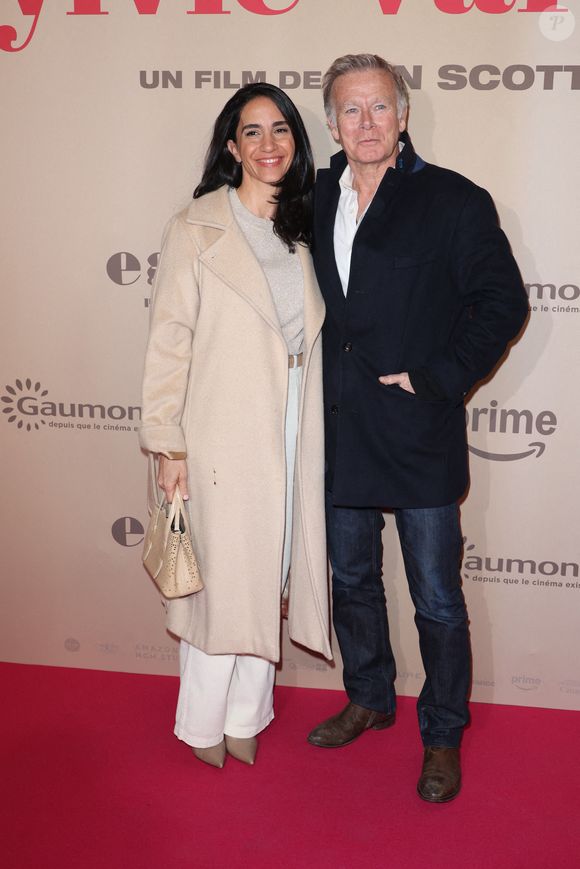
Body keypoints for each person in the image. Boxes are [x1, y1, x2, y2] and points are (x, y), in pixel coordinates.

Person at [307, 54, 528, 802]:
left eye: (378, 108)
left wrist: (436, 375)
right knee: (352, 578)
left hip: (418, 426)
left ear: (403, 115)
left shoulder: (454, 200)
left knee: (436, 595)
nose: (365, 124)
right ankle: (368, 694)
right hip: (338, 428)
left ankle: (441, 732)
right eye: (349, 110)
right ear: (331, 121)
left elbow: (501, 302)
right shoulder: (312, 196)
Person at [139, 82, 331, 769]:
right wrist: (167, 443)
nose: (269, 144)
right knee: (218, 583)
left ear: (296, 144)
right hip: (218, 433)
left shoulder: (308, 230)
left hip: (293, 435)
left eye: (281, 130)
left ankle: (249, 713)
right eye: (252, 131)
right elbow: (169, 342)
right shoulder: (196, 226)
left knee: (269, 577)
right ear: (231, 146)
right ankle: (200, 723)